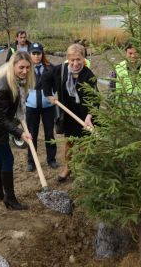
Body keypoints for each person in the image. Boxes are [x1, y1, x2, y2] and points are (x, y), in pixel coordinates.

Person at [0, 51, 34, 210]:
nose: (25, 71)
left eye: (28, 68)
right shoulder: (4, 85)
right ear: (13, 66)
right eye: (21, 67)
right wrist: (20, 133)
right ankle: (9, 197)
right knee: (8, 158)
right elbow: (0, 118)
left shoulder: (13, 77)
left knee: (0, 155)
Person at [42, 43, 98, 182]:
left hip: (86, 117)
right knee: (70, 143)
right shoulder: (60, 70)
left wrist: (89, 117)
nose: (75, 63)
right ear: (68, 59)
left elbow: (95, 100)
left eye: (78, 59)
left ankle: (85, 173)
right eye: (72, 60)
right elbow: (45, 78)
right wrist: (49, 95)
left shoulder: (88, 75)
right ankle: (68, 168)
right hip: (68, 115)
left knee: (85, 145)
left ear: (83, 59)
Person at [25, 42, 59, 172]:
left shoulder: (50, 68)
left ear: (42, 54)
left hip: (47, 106)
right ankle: (31, 161)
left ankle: (51, 159)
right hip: (31, 106)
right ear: (29, 54)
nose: (36, 56)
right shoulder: (26, 68)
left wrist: (54, 95)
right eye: (34, 53)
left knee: (49, 133)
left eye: (38, 53)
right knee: (31, 134)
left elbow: (56, 85)